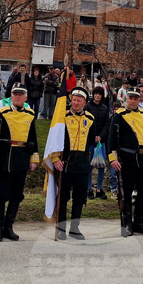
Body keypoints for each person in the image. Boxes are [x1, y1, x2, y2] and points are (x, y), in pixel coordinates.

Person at [108, 88, 143, 237]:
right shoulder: (119, 115)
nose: (133, 101)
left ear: (139, 99)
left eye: (136, 98)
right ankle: (127, 224)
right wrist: (113, 158)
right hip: (127, 159)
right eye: (130, 98)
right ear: (126, 99)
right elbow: (111, 138)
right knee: (126, 193)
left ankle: (139, 222)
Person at [52, 87, 96, 240]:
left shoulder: (90, 118)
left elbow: (91, 140)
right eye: (74, 100)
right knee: (63, 197)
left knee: (80, 197)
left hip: (82, 162)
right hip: (65, 161)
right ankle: (61, 228)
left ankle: (75, 228)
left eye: (79, 101)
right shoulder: (62, 116)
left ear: (84, 102)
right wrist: (55, 159)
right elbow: (54, 139)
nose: (76, 103)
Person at [85, 87, 111, 200]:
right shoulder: (87, 107)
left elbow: (107, 124)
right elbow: (86, 123)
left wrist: (101, 136)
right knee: (89, 165)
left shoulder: (104, 108)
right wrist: (93, 136)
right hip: (90, 141)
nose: (97, 96)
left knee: (101, 165)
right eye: (96, 93)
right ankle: (89, 189)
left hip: (101, 141)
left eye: (99, 94)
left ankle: (99, 189)